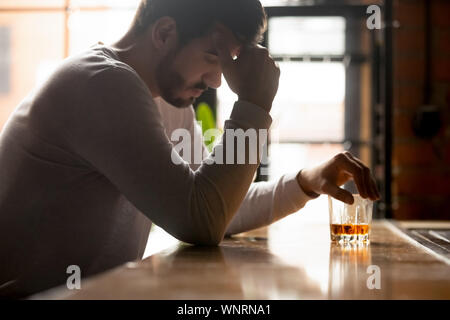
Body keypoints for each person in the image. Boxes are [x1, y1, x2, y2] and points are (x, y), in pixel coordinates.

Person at [0, 0, 379, 298]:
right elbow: (201, 220)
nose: (216, 80)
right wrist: (254, 104)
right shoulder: (99, 83)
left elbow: (218, 207)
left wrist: (305, 182)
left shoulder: (166, 100)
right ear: (164, 32)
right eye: (213, 57)